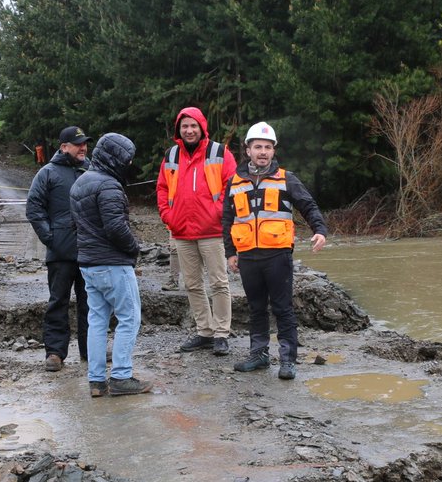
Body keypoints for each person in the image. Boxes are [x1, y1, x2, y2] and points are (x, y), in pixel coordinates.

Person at [222, 121, 328, 381]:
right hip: (248, 256)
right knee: (256, 308)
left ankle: (288, 360)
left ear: (273, 150)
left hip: (277, 255)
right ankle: (258, 355)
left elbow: (308, 205)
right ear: (248, 150)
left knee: (283, 308)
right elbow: (227, 219)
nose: (263, 152)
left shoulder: (286, 178)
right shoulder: (234, 182)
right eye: (258, 146)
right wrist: (230, 252)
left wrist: (320, 230)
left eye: (267, 147)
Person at [70, 132, 151, 397]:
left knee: (97, 320)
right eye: (127, 159)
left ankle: (96, 381)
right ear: (115, 158)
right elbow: (116, 227)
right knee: (129, 318)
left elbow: (77, 224)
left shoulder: (81, 182)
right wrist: (134, 248)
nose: (129, 164)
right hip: (113, 263)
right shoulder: (109, 186)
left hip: (88, 264)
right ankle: (121, 377)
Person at [156, 107, 237, 356]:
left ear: (202, 127)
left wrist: (217, 213)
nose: (189, 130)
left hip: (213, 230)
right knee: (192, 284)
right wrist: (168, 216)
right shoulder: (171, 155)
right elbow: (161, 188)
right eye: (185, 126)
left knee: (219, 283)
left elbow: (232, 186)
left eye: (193, 126)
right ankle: (205, 332)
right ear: (178, 130)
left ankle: (221, 334)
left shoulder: (219, 152)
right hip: (181, 231)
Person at [26, 126, 91, 372]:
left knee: (91, 303)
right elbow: (34, 208)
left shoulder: (91, 170)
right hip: (60, 252)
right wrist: (50, 238)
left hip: (89, 250)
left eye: (85, 143)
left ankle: (90, 349)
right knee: (58, 302)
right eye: (78, 144)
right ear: (64, 147)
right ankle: (55, 353)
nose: (83, 147)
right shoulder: (47, 173)